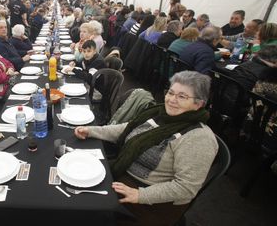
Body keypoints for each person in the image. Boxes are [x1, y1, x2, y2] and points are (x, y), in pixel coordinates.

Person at [73, 70, 218, 226]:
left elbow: (186, 187)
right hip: (124, 174)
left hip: (154, 203)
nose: (172, 100)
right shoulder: (160, 114)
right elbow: (127, 129)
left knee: (84, 209)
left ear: (199, 104)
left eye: (182, 96)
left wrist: (140, 195)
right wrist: (91, 130)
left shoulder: (198, 138)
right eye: (170, 93)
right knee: (75, 182)